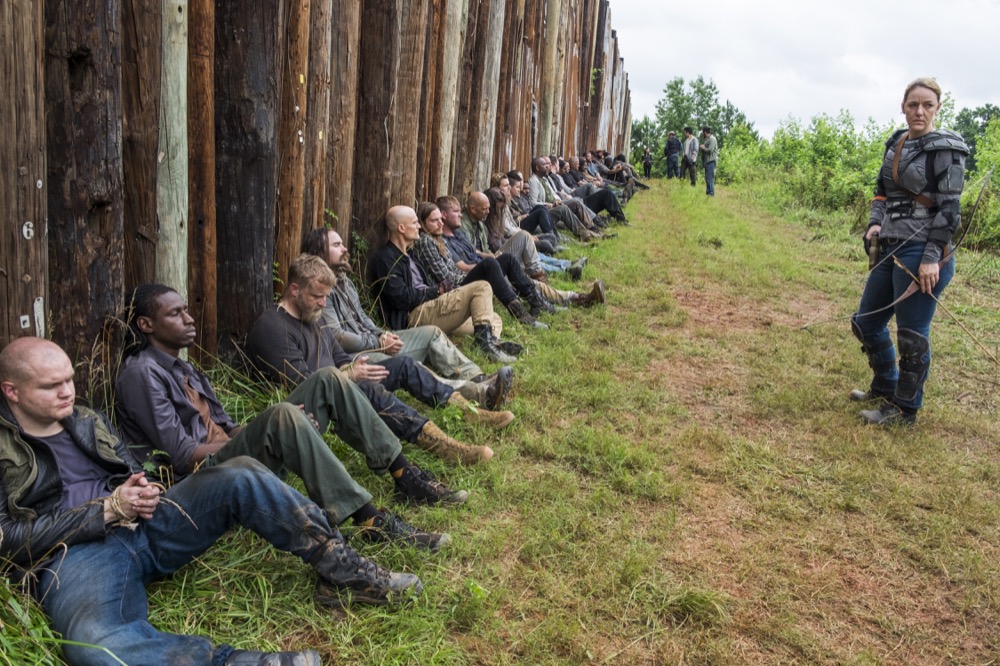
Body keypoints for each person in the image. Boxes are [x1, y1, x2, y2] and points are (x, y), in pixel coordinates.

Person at [0, 337, 421, 666]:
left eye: (70, 380)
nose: (67, 392)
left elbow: (131, 469)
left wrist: (142, 489)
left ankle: (340, 567)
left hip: (146, 522)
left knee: (240, 473)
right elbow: (7, 537)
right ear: (12, 391)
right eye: (51, 386)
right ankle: (231, 661)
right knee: (93, 644)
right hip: (76, 555)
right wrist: (106, 510)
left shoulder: (86, 419)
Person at [115, 283, 451, 552]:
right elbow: (182, 457)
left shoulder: (185, 367)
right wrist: (275, 423)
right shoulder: (141, 373)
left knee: (328, 379)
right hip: (199, 486)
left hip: (229, 459)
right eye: (176, 314)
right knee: (283, 416)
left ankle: (404, 474)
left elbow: (229, 429)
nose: (189, 319)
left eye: (186, 310)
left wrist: (279, 423)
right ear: (146, 325)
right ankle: (370, 522)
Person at [246, 255, 509, 465]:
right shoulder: (273, 328)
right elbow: (302, 386)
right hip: (319, 406)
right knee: (368, 387)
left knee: (404, 365)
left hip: (339, 385)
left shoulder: (310, 317)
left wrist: (355, 367)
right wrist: (351, 376)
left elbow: (338, 357)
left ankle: (467, 411)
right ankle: (443, 446)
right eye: (317, 297)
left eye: (326, 297)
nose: (323, 304)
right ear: (294, 289)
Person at [850, 77, 969, 426]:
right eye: (913, 104)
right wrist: (875, 224)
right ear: (903, 107)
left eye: (927, 105)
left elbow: (950, 210)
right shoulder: (896, 144)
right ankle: (885, 384)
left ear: (938, 108)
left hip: (922, 252)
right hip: (890, 246)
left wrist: (933, 257)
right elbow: (881, 194)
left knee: (911, 336)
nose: (919, 111)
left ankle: (904, 409)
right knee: (866, 323)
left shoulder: (946, 149)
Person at [301, 227, 513, 410]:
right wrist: (378, 342)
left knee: (432, 333)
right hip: (354, 357)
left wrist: (382, 334)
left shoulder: (345, 281)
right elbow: (337, 336)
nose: (345, 248)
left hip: (374, 340)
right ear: (320, 251)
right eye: (337, 245)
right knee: (409, 364)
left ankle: (477, 376)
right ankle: (481, 394)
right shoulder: (318, 291)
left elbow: (363, 317)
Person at [370, 205, 524, 363]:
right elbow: (400, 298)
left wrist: (438, 292)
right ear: (401, 228)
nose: (418, 226)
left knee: (493, 317)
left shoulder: (409, 254)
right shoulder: (386, 259)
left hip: (430, 307)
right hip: (415, 316)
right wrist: (436, 291)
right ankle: (486, 344)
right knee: (482, 287)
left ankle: (490, 342)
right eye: (415, 223)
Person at [699, 126, 719, 196]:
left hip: (711, 161)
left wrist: (703, 147)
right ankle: (708, 193)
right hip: (707, 162)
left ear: (705, 132)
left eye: (703, 132)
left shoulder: (712, 139)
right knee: (707, 178)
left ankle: (711, 194)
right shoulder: (708, 139)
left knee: (710, 178)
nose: (702, 134)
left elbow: (710, 150)